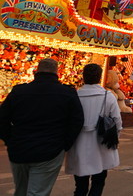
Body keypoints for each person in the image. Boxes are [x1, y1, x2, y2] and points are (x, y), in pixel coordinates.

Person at [0, 58, 84, 196]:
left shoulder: (18, 92)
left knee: (21, 190)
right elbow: (77, 121)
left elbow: (2, 118)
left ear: (36, 71)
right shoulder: (67, 93)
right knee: (38, 192)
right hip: (50, 150)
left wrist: (10, 140)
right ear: (57, 72)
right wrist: (65, 144)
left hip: (20, 149)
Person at [65, 63, 122, 196]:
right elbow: (117, 121)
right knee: (99, 181)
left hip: (78, 143)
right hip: (101, 144)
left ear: (83, 77)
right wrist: (114, 138)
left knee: (80, 184)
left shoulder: (74, 96)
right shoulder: (108, 97)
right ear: (99, 77)